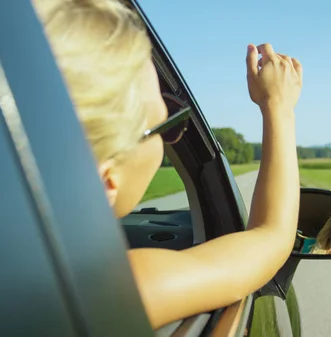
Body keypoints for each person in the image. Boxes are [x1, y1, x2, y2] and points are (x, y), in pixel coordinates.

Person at [33, 0, 302, 329]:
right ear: (103, 183)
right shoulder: (99, 294)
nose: (169, 138)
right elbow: (271, 236)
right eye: (165, 126)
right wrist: (278, 107)